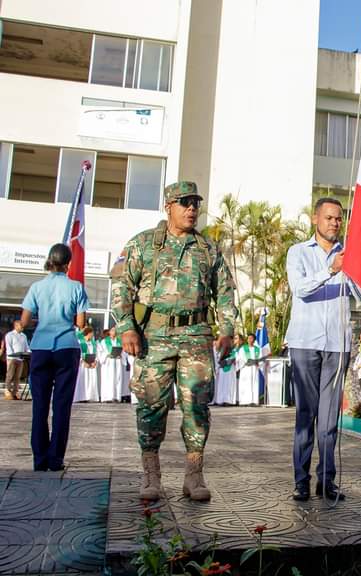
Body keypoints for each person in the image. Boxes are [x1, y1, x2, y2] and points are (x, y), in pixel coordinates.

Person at [111, 181, 238, 501]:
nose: (192, 208)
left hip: (196, 336)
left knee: (197, 406)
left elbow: (224, 293)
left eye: (195, 202)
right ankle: (151, 475)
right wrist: (126, 327)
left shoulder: (208, 249)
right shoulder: (143, 245)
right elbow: (121, 287)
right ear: (168, 205)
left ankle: (194, 475)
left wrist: (227, 329)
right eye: (184, 202)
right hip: (153, 337)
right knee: (152, 407)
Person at [285, 197, 353, 502]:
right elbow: (299, 289)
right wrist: (330, 270)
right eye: (328, 218)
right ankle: (301, 479)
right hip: (305, 342)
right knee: (306, 416)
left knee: (329, 422)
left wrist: (357, 267)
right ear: (316, 219)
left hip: (338, 345)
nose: (334, 223)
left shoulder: (348, 255)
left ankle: (327, 480)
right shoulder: (298, 252)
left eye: (338, 219)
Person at [19, 243, 89, 471]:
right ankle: (56, 459)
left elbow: (26, 320)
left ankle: (39, 459)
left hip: (41, 347)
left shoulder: (37, 287)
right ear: (69, 263)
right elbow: (80, 323)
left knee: (39, 406)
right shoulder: (76, 287)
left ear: (50, 261)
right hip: (67, 348)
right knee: (62, 406)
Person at [4, 321, 30, 400]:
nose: (22, 327)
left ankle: (15, 392)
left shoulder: (24, 336)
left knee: (17, 377)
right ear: (15, 326)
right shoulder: (10, 335)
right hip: (12, 358)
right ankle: (7, 391)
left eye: (22, 325)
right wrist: (12, 355)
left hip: (20, 358)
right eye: (20, 325)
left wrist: (29, 352)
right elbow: (9, 347)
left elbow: (26, 347)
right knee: (10, 375)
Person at [73, 326, 99, 403]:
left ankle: (89, 396)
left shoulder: (93, 343)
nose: (92, 335)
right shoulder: (80, 342)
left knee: (91, 381)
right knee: (82, 380)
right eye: (91, 333)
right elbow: (78, 353)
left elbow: (97, 353)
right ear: (88, 334)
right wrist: (83, 361)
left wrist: (95, 361)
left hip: (91, 364)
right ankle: (80, 397)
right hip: (83, 365)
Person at [98, 327, 123, 402]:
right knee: (107, 379)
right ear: (109, 332)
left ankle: (116, 397)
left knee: (117, 378)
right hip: (108, 363)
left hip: (117, 362)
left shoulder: (120, 341)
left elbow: (124, 351)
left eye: (115, 330)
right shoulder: (104, 341)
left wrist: (121, 355)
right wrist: (106, 355)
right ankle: (107, 397)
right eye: (112, 330)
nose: (114, 331)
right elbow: (100, 352)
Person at [213, 336, 238, 406]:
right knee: (222, 384)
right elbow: (217, 360)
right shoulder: (219, 350)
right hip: (222, 369)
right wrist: (220, 363)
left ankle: (229, 401)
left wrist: (231, 360)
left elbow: (236, 358)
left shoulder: (234, 350)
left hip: (230, 369)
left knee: (229, 384)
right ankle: (221, 400)